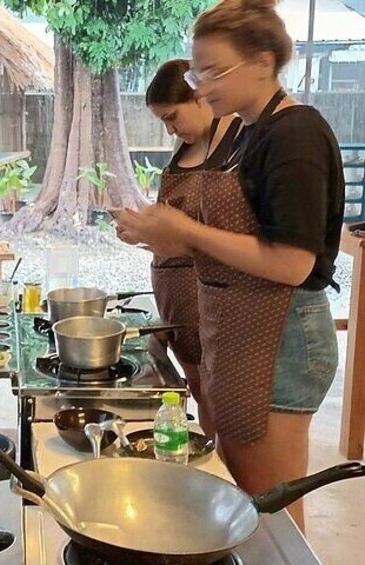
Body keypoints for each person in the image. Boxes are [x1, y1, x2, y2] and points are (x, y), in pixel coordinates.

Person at [116, 0, 343, 531]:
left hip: (282, 338)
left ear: (264, 62)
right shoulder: (250, 131)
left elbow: (291, 263)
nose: (200, 85)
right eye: (198, 71)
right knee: (239, 496)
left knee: (271, 513)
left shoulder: (294, 135)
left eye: (215, 71)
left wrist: (185, 231)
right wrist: (166, 235)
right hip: (239, 332)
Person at [144, 58, 242, 437]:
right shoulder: (184, 151)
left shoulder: (234, 141)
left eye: (172, 117)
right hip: (176, 296)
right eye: (163, 123)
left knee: (218, 395)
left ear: (199, 98)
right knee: (199, 391)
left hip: (211, 295)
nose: (171, 129)